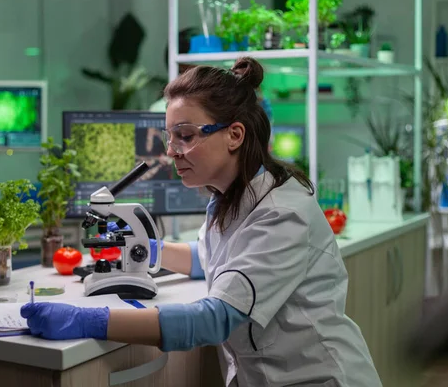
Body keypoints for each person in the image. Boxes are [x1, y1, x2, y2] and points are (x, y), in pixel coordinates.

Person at [21, 57, 382, 386]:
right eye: (170, 136)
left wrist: (88, 320)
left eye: (186, 136)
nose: (170, 151)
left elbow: (212, 319)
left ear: (234, 135)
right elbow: (211, 258)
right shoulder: (229, 197)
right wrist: (143, 249)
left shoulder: (282, 214)